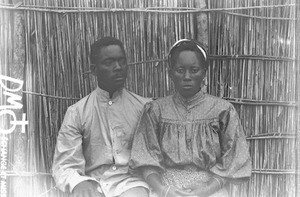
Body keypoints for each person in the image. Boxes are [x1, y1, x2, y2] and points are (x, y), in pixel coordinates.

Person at [129, 39, 251, 197]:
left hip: (210, 187)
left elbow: (234, 157)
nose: (187, 76)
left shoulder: (222, 110)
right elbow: (145, 157)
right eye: (180, 70)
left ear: (204, 73)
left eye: (194, 70)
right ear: (170, 72)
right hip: (166, 186)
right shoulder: (155, 110)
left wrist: (206, 190)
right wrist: (163, 190)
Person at [52, 37, 151, 197]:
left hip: (132, 185)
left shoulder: (144, 108)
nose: (118, 67)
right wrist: (78, 182)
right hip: (93, 184)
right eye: (109, 62)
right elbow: (64, 164)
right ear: (94, 69)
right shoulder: (77, 112)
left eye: (122, 61)